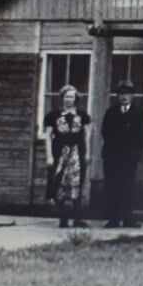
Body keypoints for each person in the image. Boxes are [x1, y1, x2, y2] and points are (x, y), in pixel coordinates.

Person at [101, 79, 143, 228]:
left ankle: (128, 219)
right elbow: (105, 132)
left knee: (127, 187)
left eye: (127, 94)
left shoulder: (139, 113)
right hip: (112, 156)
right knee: (113, 186)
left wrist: (135, 149)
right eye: (121, 94)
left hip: (129, 157)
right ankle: (114, 219)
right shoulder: (111, 112)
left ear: (132, 96)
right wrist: (114, 147)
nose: (124, 97)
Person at [43, 85, 91, 228]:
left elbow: (87, 135)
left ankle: (77, 218)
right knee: (59, 184)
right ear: (62, 98)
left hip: (77, 153)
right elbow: (48, 136)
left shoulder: (82, 115)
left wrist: (87, 153)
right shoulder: (53, 116)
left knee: (76, 183)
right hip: (60, 153)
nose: (69, 100)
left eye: (71, 97)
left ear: (75, 99)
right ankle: (63, 218)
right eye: (66, 97)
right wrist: (49, 156)